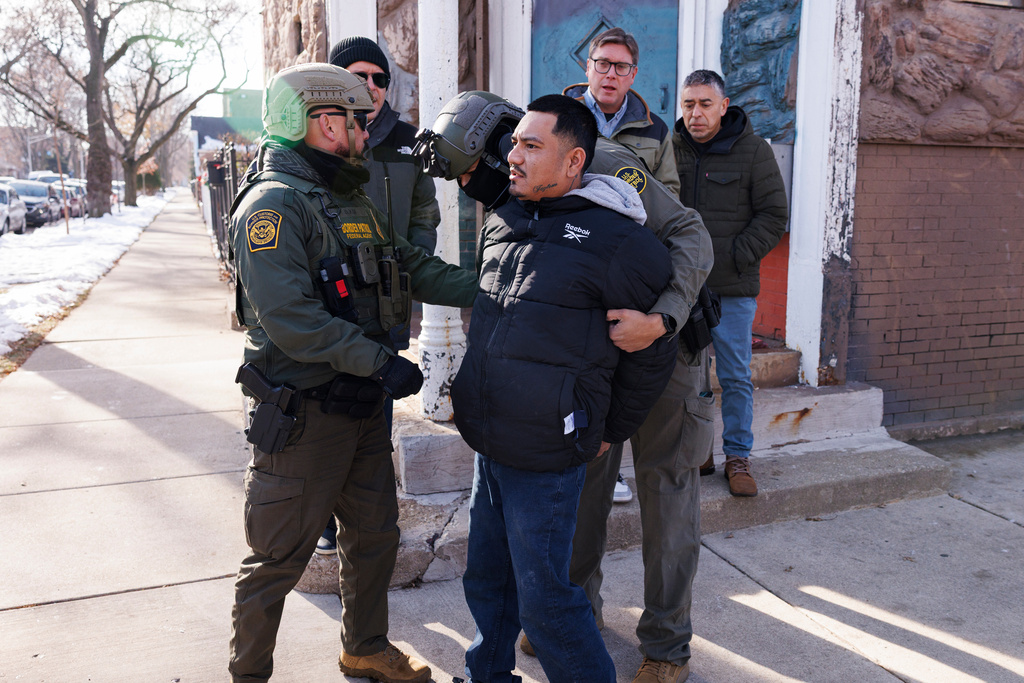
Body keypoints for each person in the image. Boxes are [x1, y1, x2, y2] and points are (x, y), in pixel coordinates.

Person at [414, 91, 712, 683]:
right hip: (579, 366)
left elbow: (690, 234)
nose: (496, 172)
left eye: (476, 168)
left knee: (666, 494)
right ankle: (574, 617)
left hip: (665, 341)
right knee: (578, 509)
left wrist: (662, 319)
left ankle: (665, 646)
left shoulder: (603, 171)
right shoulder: (521, 191)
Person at [226, 63, 478, 683]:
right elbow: (291, 319)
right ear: (318, 121)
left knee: (372, 538)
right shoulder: (272, 208)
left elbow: (408, 263)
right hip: (304, 417)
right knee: (276, 560)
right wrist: (380, 363)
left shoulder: (347, 195)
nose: (366, 136)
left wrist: (493, 287)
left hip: (362, 407)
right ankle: (248, 673)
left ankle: (364, 647)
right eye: (356, 123)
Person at [310, 36, 443, 557]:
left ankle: (369, 520)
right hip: (334, 301)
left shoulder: (409, 142)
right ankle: (321, 515)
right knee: (325, 416)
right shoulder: (319, 139)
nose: (370, 86)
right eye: (358, 75)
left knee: (375, 419)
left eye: (379, 77)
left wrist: (409, 264)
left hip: (386, 301)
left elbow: (424, 214)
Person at [673, 69, 789, 497]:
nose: (696, 113)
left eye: (705, 104)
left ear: (723, 106)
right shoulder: (671, 150)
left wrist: (737, 255)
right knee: (688, 374)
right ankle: (699, 451)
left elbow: (775, 214)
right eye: (689, 104)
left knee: (736, 375)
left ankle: (738, 455)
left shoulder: (754, 151)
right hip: (683, 285)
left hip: (732, 287)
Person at [563, 27, 680, 195]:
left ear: (633, 74)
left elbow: (668, 195)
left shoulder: (655, 130)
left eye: (621, 66)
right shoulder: (557, 117)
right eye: (602, 64)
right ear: (588, 67)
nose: (611, 74)